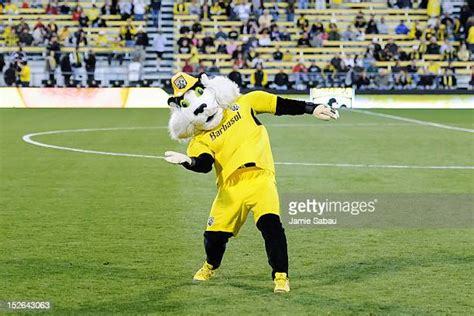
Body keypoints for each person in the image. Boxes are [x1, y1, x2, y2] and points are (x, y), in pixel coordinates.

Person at [164, 72, 339, 294]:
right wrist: (189, 161)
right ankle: (210, 265)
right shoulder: (199, 139)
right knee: (214, 237)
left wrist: (312, 108)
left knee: (271, 226)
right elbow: (205, 164)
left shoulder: (244, 103)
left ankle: (281, 277)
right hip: (230, 188)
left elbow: (278, 104)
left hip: (260, 179)